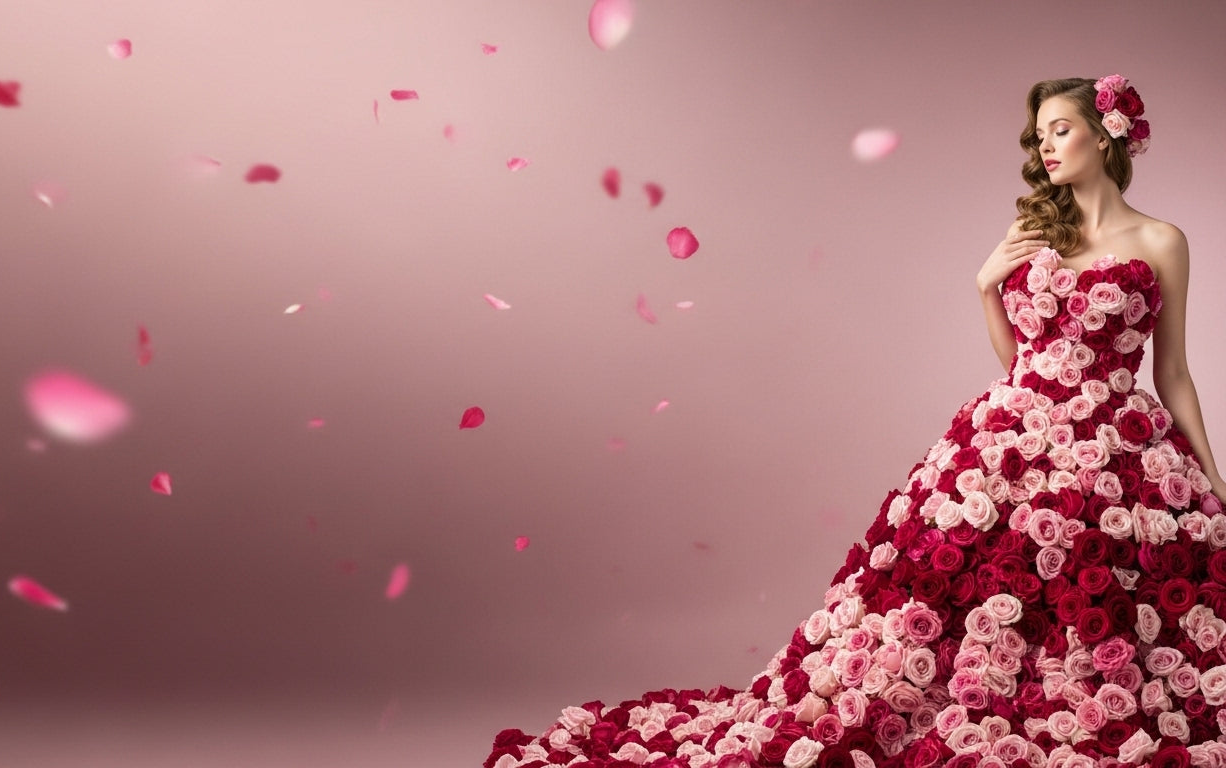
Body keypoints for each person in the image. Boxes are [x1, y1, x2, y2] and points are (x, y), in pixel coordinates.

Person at [484, 75, 1226, 768]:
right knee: (960, 591)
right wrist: (983, 286)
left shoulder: (1162, 242)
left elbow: (1173, 375)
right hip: (1011, 437)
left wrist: (1211, 482)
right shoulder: (1032, 234)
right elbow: (1018, 359)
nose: (1046, 148)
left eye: (1061, 130)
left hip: (1119, 449)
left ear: (1108, 134)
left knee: (1104, 596)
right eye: (1039, 137)